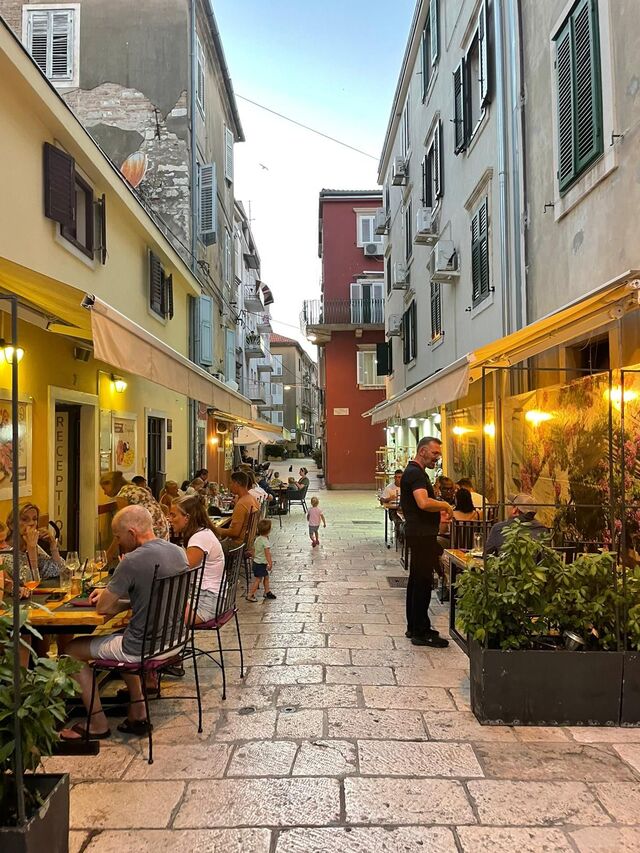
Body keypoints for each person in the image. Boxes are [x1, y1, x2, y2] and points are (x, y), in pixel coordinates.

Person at [60, 506, 189, 740]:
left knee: (71, 650)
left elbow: (103, 608)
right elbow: (151, 595)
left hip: (142, 648)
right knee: (123, 631)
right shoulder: (178, 552)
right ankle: (138, 709)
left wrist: (108, 595)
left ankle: (97, 722)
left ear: (132, 532)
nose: (117, 542)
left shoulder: (131, 560)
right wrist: (123, 601)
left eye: (118, 536)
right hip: (174, 641)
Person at [400, 437, 452, 648]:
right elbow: (422, 502)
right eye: (434, 453)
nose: (437, 458)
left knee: (416, 580)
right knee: (423, 581)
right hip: (422, 535)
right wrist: (445, 505)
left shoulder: (412, 472)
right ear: (422, 451)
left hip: (417, 533)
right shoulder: (416, 474)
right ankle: (421, 632)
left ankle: (414, 626)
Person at [168, 494, 225, 623]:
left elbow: (184, 567)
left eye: (173, 515)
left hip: (206, 601)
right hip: (207, 596)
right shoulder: (202, 533)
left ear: (187, 518)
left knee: (158, 618)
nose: (169, 519)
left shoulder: (199, 538)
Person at [100, 471, 169, 560]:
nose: (105, 493)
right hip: (162, 527)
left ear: (110, 483)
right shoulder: (136, 489)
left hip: (150, 530)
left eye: (104, 489)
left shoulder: (123, 495)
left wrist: (109, 554)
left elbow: (123, 527)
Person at [3, 503, 65, 584]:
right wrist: (31, 550)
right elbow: (30, 583)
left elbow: (59, 570)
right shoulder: (5, 553)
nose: (32, 523)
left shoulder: (30, 545)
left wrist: (53, 545)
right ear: (12, 525)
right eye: (25, 519)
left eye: (34, 519)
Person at [484, 493, 548, 557]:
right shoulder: (542, 529)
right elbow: (545, 555)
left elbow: (486, 555)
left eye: (510, 504)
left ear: (515, 509)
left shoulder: (498, 528)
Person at [215, 471, 259, 548]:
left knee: (210, 547)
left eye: (231, 483)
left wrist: (215, 529)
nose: (230, 486)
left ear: (237, 483)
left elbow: (234, 532)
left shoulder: (241, 504)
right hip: (248, 543)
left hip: (237, 545)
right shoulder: (253, 499)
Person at [246, 519, 275, 601]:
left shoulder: (257, 539)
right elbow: (267, 554)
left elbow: (253, 550)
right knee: (258, 579)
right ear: (269, 530)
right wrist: (270, 563)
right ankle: (250, 595)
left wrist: (254, 557)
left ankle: (267, 591)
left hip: (256, 562)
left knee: (266, 576)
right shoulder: (265, 542)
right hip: (261, 564)